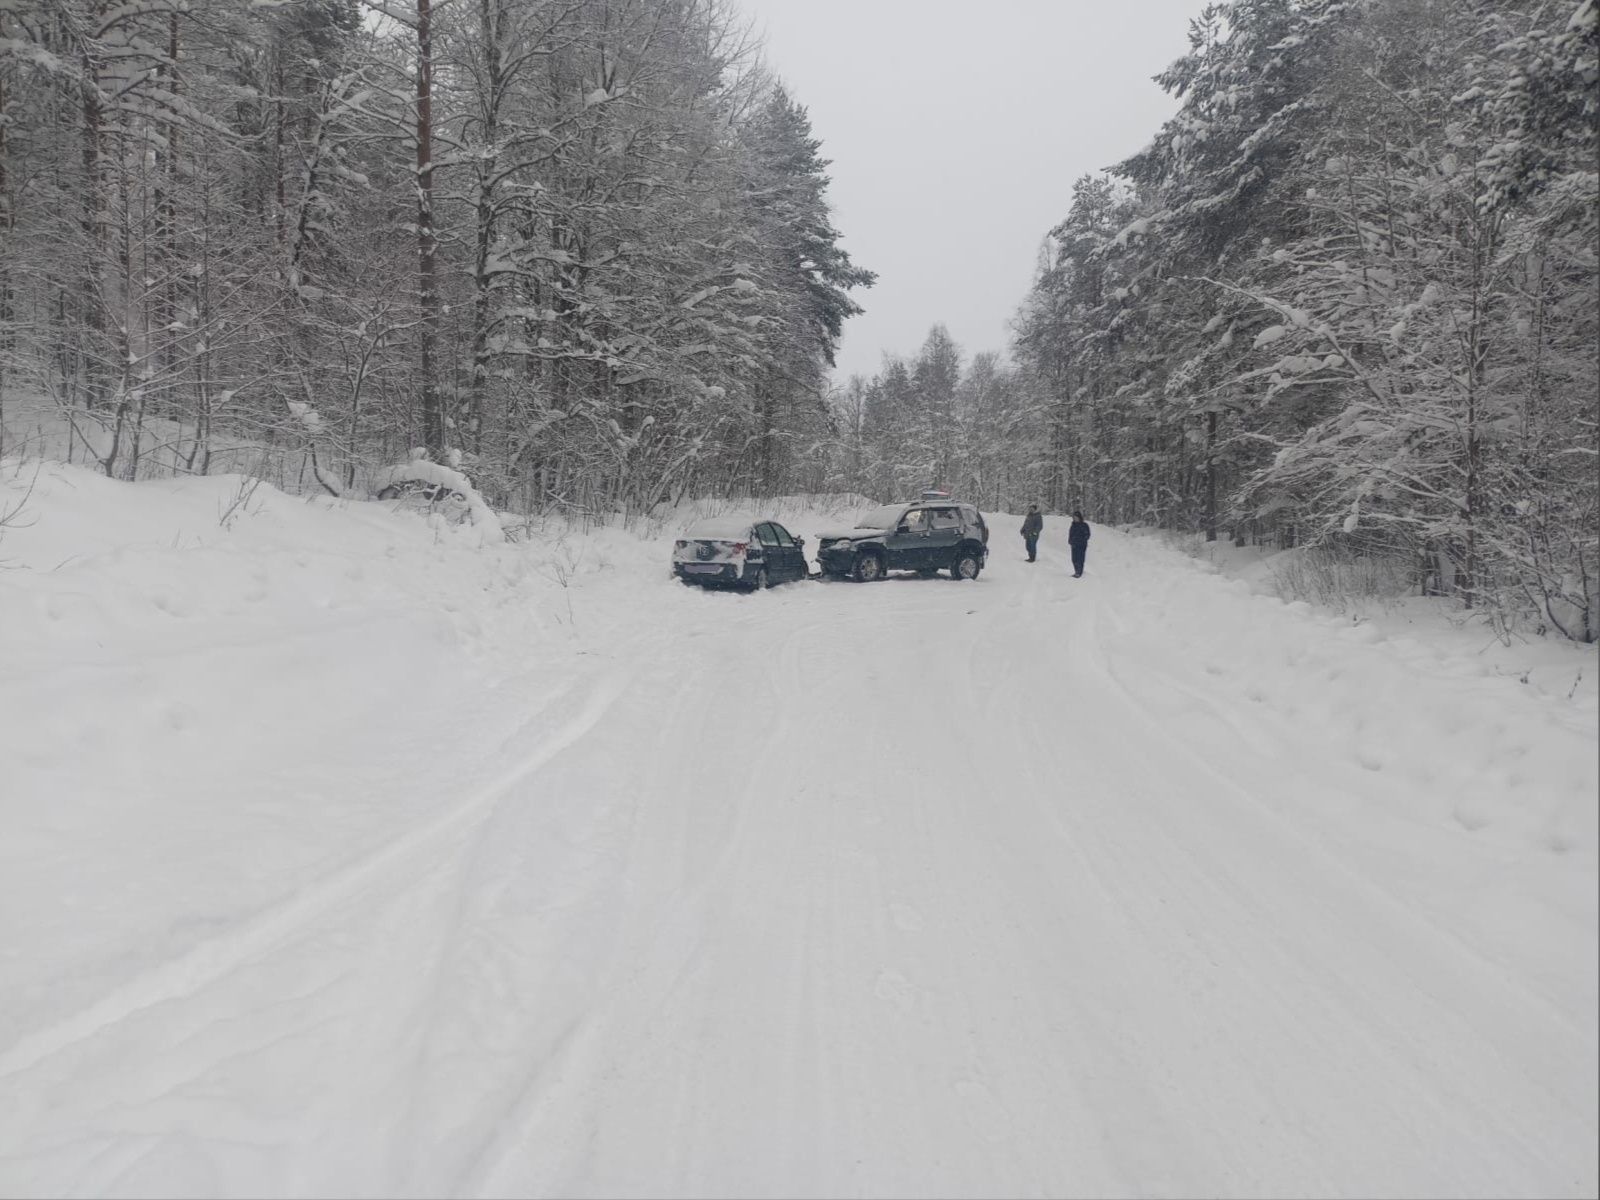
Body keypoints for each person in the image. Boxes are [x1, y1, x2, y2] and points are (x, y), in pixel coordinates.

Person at [1068, 511, 1091, 577]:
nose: (1075, 519)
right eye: (1074, 517)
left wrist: (1082, 540)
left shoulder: (1084, 525)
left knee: (1080, 559)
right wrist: (1070, 541)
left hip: (1081, 545)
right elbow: (1071, 534)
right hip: (1074, 544)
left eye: (1076, 517)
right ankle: (1076, 571)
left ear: (1079, 518)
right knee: (1074, 559)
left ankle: (1079, 572)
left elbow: (1087, 535)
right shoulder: (1073, 525)